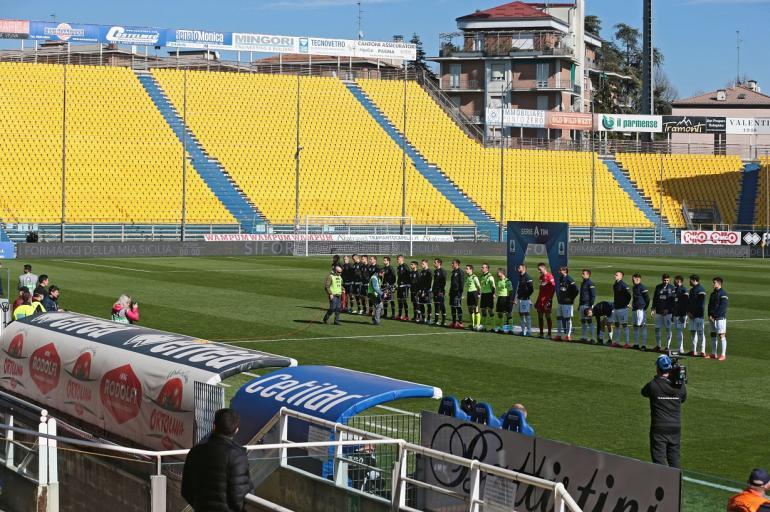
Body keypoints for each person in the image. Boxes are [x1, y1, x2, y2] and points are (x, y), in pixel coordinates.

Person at [182, 408, 253, 512]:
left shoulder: (195, 451)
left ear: (214, 426)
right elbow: (240, 497)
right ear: (236, 430)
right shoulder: (237, 456)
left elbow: (186, 490)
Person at [641, 355, 687, 468]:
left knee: (659, 460)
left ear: (658, 369)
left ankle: (663, 480)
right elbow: (683, 398)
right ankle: (677, 479)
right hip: (675, 427)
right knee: (674, 459)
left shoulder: (653, 385)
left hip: (659, 428)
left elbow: (644, 392)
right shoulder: (680, 386)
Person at [651, 274, 675, 352]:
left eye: (667, 280)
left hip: (668, 313)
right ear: (662, 279)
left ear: (669, 280)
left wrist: (668, 309)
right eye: (664, 280)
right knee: (657, 328)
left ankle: (667, 347)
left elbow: (672, 301)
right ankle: (658, 345)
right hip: (659, 311)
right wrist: (653, 309)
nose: (666, 282)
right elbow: (655, 299)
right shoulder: (658, 287)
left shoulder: (672, 288)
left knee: (668, 329)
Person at [554, 266, 578, 341]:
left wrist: (571, 299)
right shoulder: (561, 278)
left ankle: (568, 335)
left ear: (565, 271)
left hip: (567, 303)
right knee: (558, 317)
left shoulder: (569, 279)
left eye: (560, 270)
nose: (559, 272)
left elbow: (576, 290)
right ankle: (559, 335)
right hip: (561, 302)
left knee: (567, 318)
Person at [708, 277, 728, 361]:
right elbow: (709, 305)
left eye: (714, 282)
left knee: (721, 335)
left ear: (719, 283)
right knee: (713, 334)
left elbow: (722, 307)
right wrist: (709, 315)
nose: (713, 284)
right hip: (712, 318)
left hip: (720, 318)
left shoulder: (723, 293)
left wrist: (715, 316)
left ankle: (723, 355)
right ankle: (713, 353)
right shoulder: (713, 293)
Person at [687, 274, 707, 357]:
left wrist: (694, 314)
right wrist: (688, 312)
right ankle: (693, 350)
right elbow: (689, 303)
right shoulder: (692, 290)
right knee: (693, 332)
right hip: (691, 315)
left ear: (694, 280)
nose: (689, 281)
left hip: (698, 315)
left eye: (690, 280)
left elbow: (701, 304)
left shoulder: (701, 289)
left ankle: (702, 351)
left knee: (700, 332)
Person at [611, 271, 632, 347]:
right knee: (616, 325)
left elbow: (629, 295)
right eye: (615, 274)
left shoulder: (623, 285)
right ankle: (617, 342)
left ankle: (627, 343)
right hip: (616, 308)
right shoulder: (615, 284)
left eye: (616, 275)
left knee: (624, 325)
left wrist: (626, 303)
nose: (615, 276)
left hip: (622, 309)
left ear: (621, 276)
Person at [535, 263, 555, 339]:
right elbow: (541, 290)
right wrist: (537, 300)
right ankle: (541, 333)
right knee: (540, 316)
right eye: (538, 269)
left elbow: (553, 289)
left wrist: (549, 299)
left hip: (547, 300)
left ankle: (549, 334)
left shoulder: (550, 277)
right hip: (540, 300)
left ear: (544, 268)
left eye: (540, 269)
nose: (539, 271)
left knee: (547, 316)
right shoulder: (541, 277)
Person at [631, 274, 650, 349]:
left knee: (643, 327)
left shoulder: (642, 287)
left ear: (638, 279)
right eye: (632, 279)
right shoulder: (634, 287)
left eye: (633, 279)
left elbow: (647, 299)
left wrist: (644, 308)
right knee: (635, 326)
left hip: (641, 309)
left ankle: (644, 345)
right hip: (634, 309)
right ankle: (636, 344)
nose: (632, 280)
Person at [515, 264, 534, 336]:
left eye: (519, 268)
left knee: (526, 314)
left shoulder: (527, 277)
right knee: (521, 314)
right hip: (520, 298)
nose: (518, 269)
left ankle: (529, 331)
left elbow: (531, 289)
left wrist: (526, 296)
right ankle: (523, 331)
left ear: (524, 268)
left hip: (525, 299)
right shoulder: (520, 276)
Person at [672, 275, 689, 353]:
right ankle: (679, 348)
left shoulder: (683, 289)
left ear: (678, 281)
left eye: (675, 280)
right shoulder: (675, 289)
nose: (673, 281)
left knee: (679, 331)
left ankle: (681, 349)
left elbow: (686, 303)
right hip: (676, 314)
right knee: (678, 331)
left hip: (681, 314)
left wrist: (683, 315)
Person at [578, 269, 596, 342]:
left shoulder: (590, 283)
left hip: (587, 305)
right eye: (582, 273)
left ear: (588, 275)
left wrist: (590, 306)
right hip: (582, 304)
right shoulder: (583, 283)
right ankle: (584, 337)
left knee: (589, 321)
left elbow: (593, 295)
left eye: (583, 274)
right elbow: (581, 295)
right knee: (583, 321)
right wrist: (579, 305)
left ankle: (593, 338)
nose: (582, 275)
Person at [494, 268, 513, 333]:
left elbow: (511, 292)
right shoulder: (499, 281)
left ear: (502, 273)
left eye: (498, 272)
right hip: (500, 298)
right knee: (500, 313)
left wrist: (510, 300)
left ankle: (511, 329)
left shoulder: (507, 281)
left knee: (508, 314)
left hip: (506, 298)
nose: (497, 273)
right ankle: (501, 329)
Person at [478, 263, 496, 332]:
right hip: (483, 295)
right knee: (483, 310)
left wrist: (493, 294)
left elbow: (494, 287)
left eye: (483, 267)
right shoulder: (482, 276)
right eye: (482, 267)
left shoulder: (490, 277)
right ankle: (484, 327)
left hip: (489, 295)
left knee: (490, 311)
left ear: (487, 269)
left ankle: (493, 328)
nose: (481, 268)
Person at [465, 264, 481, 331]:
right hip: (469, 293)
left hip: (474, 293)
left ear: (471, 269)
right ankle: (472, 324)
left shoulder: (474, 277)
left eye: (467, 268)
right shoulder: (468, 277)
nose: (466, 270)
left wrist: (479, 294)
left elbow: (479, 286)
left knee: (475, 309)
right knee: (470, 309)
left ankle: (477, 325)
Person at [448, 259, 464, 328]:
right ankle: (454, 322)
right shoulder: (453, 272)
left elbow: (461, 284)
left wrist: (460, 293)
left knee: (458, 307)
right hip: (452, 292)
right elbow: (452, 283)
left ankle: (460, 323)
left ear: (457, 264)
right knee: (452, 307)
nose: (451, 264)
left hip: (457, 293)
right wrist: (450, 291)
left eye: (453, 263)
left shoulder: (460, 272)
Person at [417, 260, 433, 324]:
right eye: (421, 264)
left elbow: (429, 283)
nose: (422, 265)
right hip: (421, 290)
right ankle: (423, 318)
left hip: (427, 291)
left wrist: (425, 291)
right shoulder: (422, 272)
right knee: (421, 304)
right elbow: (421, 282)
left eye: (423, 264)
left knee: (429, 304)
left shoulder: (429, 272)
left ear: (426, 264)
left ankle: (429, 319)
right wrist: (420, 290)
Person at [395, 255, 411, 321]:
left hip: (404, 286)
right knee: (399, 300)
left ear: (402, 259)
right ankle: (400, 315)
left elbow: (409, 276)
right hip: (399, 286)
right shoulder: (398, 267)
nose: (397, 260)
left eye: (398, 259)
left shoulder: (405, 266)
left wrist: (407, 284)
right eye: (397, 259)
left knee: (404, 300)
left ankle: (406, 316)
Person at [432, 259, 447, 326]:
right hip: (435, 291)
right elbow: (435, 282)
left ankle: (443, 321)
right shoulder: (435, 271)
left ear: (439, 263)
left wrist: (441, 291)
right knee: (436, 305)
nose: (434, 263)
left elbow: (443, 282)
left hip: (440, 291)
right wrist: (433, 289)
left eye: (435, 262)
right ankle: (436, 320)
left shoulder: (442, 271)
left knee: (441, 305)